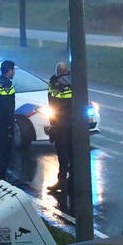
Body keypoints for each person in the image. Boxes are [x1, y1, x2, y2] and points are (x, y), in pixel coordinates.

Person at [47, 61, 74, 192]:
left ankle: (62, 181)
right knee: (71, 153)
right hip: (71, 125)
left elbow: (54, 104)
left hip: (60, 125)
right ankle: (72, 180)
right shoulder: (73, 82)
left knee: (62, 155)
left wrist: (54, 124)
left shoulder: (57, 84)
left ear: (59, 71)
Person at [0, 60, 17, 182]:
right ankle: (1, 178)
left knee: (0, 151)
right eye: (14, 70)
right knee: (5, 152)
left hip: (0, 124)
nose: (14, 72)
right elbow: (7, 107)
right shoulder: (6, 85)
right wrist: (9, 126)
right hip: (5, 125)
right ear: (9, 70)